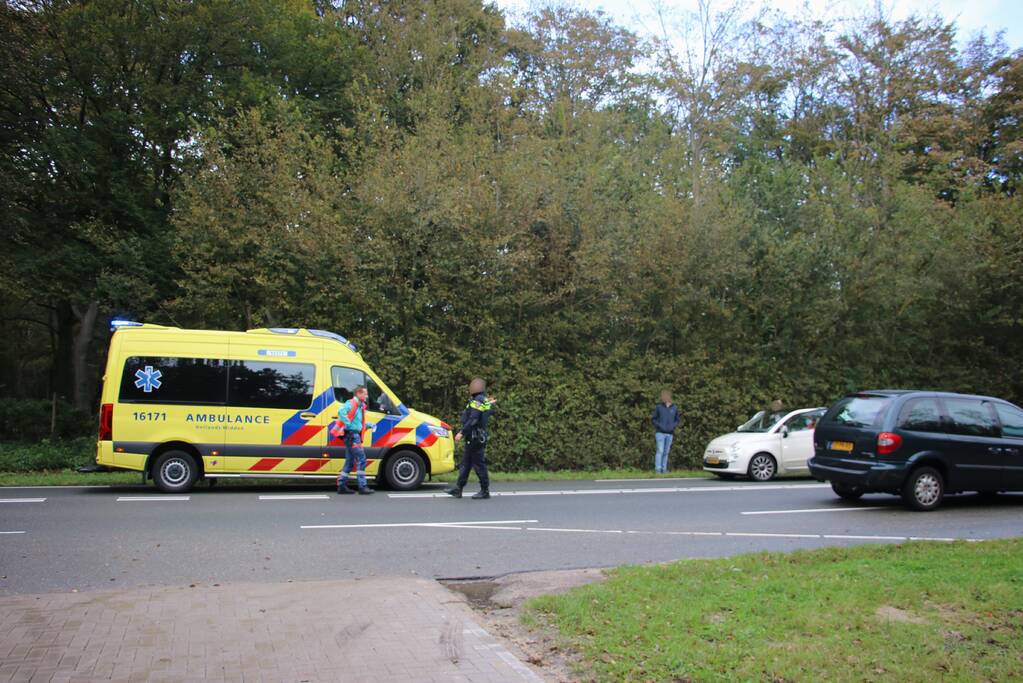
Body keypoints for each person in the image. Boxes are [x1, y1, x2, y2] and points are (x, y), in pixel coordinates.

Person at [445, 378, 496, 500]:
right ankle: (458, 489)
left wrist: (462, 432)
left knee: (479, 465)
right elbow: (487, 411)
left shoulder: (477, 401)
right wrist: (489, 402)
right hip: (474, 437)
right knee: (466, 464)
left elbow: (473, 419)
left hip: (475, 437)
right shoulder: (482, 400)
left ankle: (485, 491)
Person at [336, 385, 374, 495]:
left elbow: (357, 422)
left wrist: (368, 425)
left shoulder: (359, 406)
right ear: (358, 393)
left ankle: (342, 486)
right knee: (362, 459)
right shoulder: (352, 403)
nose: (366, 396)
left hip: (352, 435)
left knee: (350, 461)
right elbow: (341, 411)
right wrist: (348, 424)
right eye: (365, 394)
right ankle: (362, 486)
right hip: (352, 436)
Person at [652, 389, 680, 473]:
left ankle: (664, 469)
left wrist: (672, 426)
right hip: (660, 433)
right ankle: (658, 469)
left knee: (666, 452)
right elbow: (654, 419)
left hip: (670, 434)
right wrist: (660, 426)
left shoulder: (674, 408)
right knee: (660, 451)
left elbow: (677, 420)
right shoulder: (659, 407)